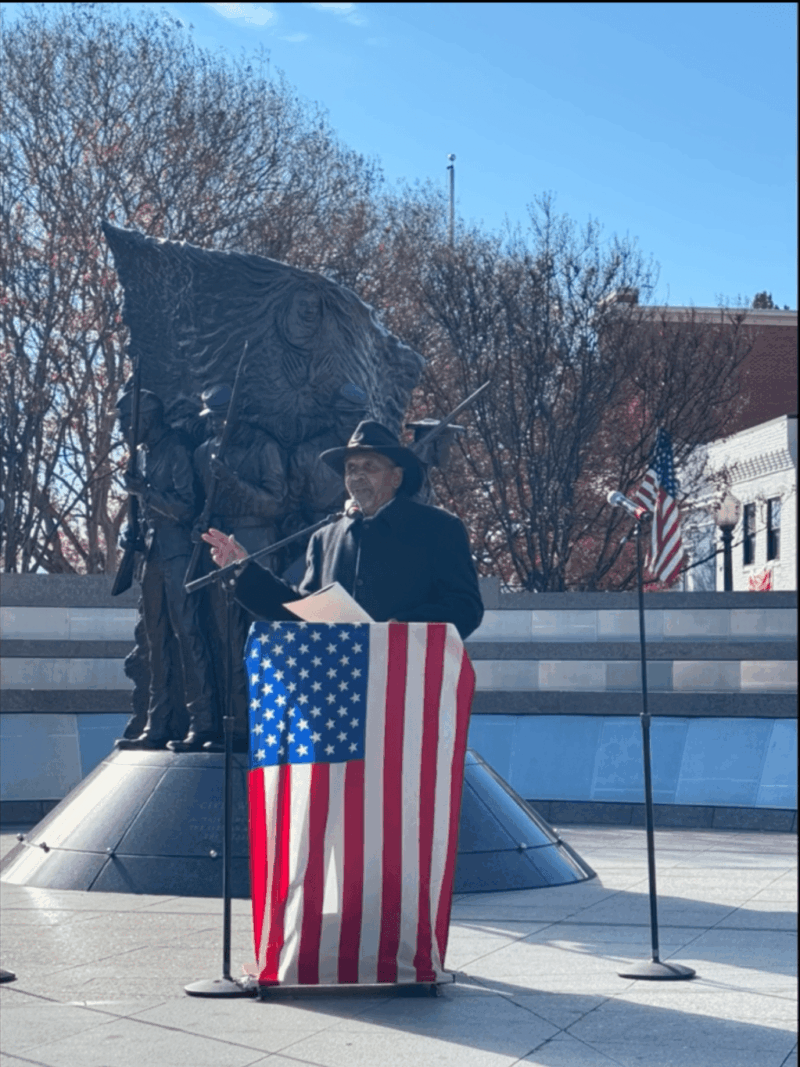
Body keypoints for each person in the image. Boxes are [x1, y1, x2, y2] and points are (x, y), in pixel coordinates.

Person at [201, 420, 484, 640]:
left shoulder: (439, 528)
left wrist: (403, 626)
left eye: (369, 467)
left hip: (406, 686)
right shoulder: (325, 538)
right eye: (350, 469)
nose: (357, 476)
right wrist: (244, 571)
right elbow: (303, 610)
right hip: (341, 687)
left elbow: (466, 608)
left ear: (396, 477)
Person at [114, 389, 217, 752]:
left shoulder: (175, 449)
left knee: (188, 635)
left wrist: (145, 493)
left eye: (128, 420)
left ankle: (203, 722)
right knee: (155, 643)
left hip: (178, 555)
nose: (124, 428)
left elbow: (188, 507)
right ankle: (156, 724)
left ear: (148, 418)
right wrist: (134, 533)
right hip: (153, 557)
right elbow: (148, 512)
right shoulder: (141, 457)